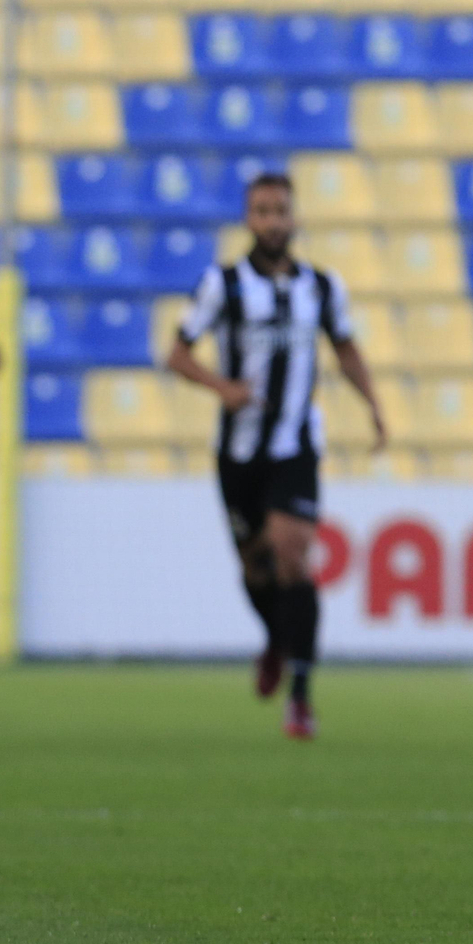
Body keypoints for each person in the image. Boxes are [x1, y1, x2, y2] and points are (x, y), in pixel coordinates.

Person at [167, 173, 384, 740]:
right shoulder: (222, 284)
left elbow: (346, 347)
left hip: (296, 443)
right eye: (262, 211)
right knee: (254, 567)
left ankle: (301, 695)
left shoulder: (322, 286)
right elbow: (177, 353)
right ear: (249, 219)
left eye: (280, 210)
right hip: (238, 451)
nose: (272, 221)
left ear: (294, 217)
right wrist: (223, 388)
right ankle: (275, 641)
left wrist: (374, 405)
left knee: (292, 554)